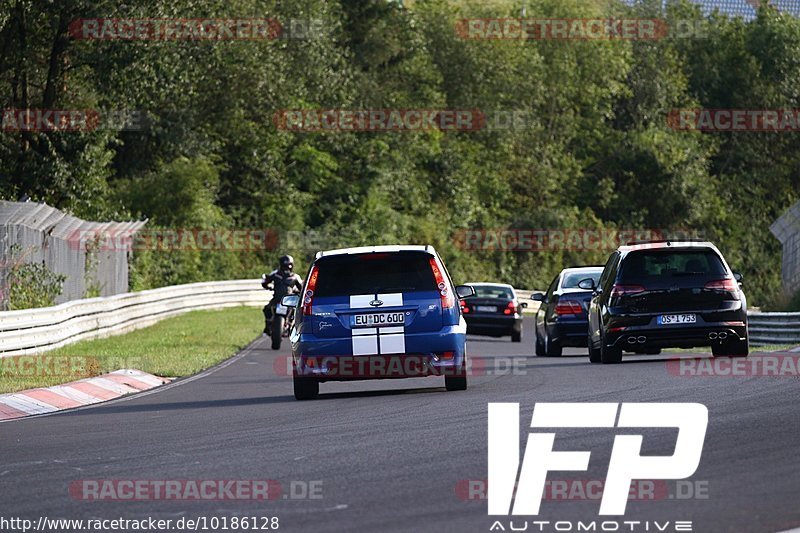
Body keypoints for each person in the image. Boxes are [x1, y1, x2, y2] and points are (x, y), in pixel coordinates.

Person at [262, 255, 303, 334]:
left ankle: (268, 327)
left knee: (267, 309)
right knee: (267, 309)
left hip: (282, 299)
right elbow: (301, 288)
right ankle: (268, 326)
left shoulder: (276, 274)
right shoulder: (295, 276)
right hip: (287, 300)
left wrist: (267, 286)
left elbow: (265, 282)